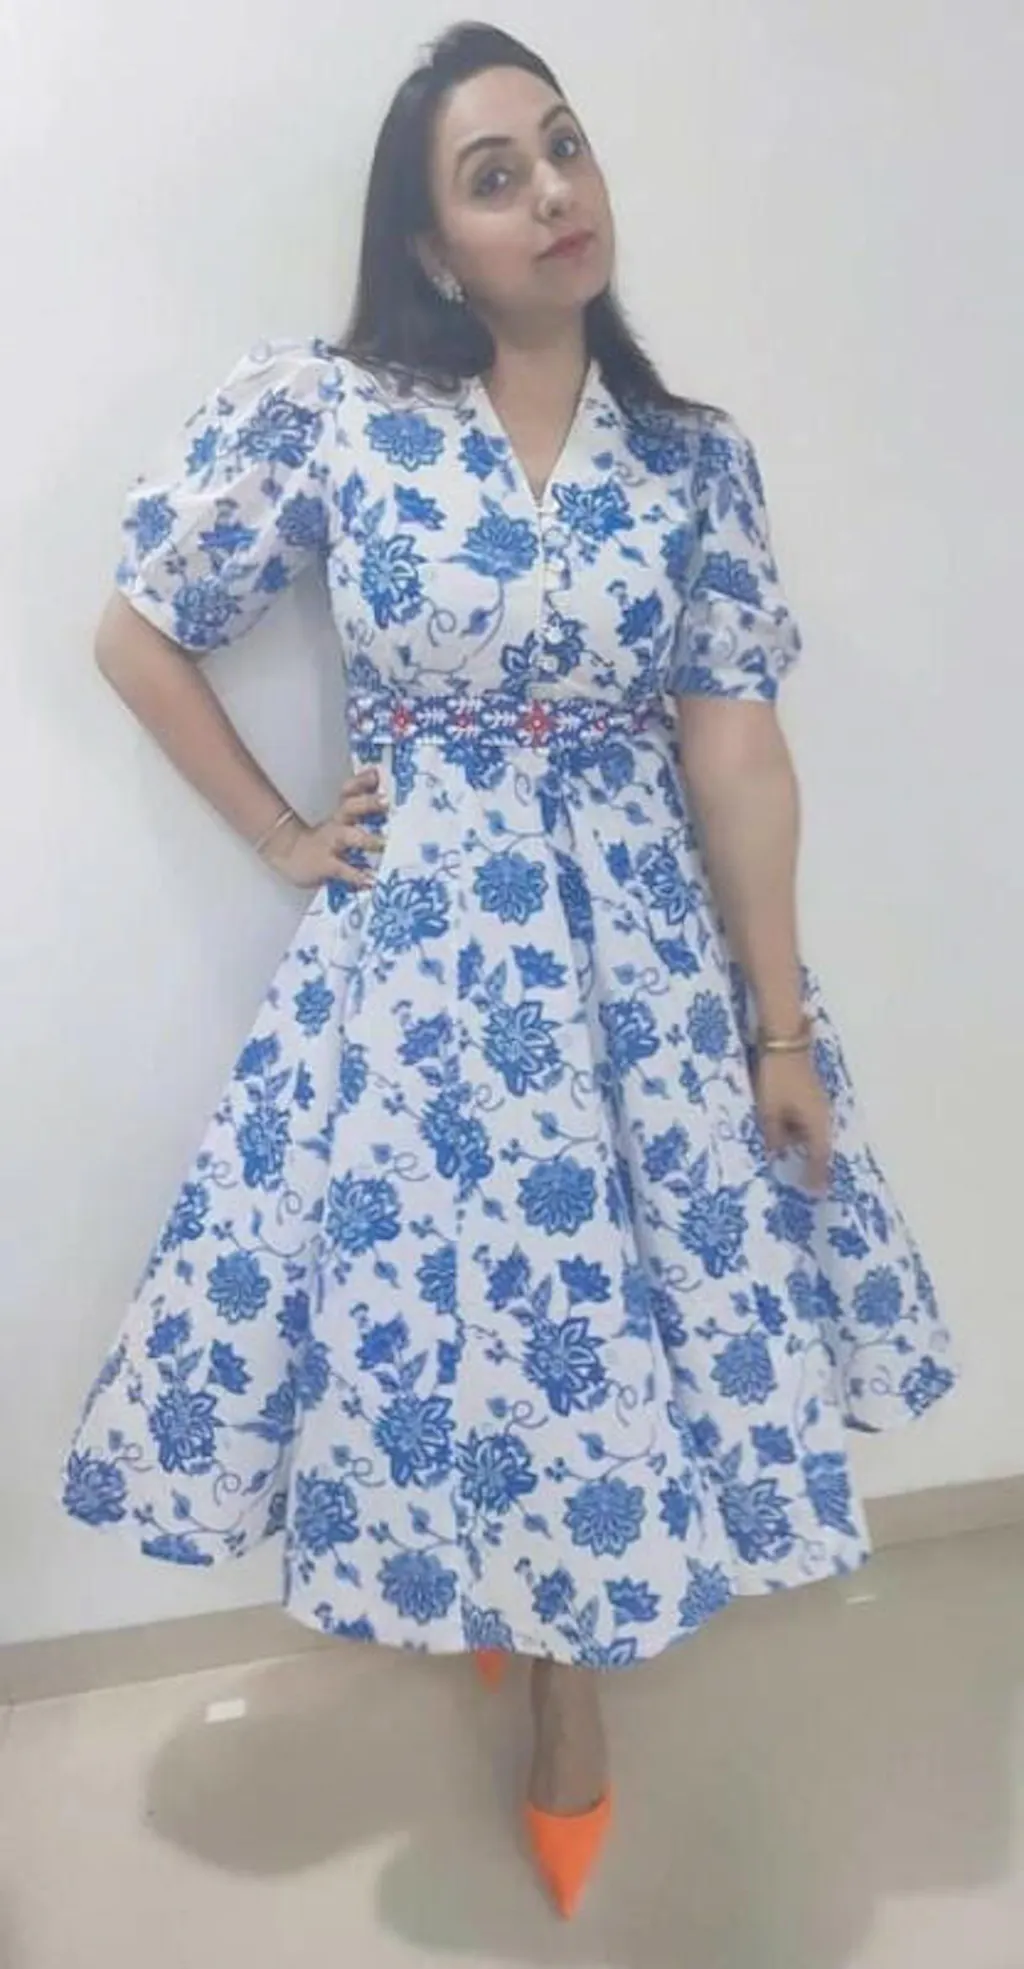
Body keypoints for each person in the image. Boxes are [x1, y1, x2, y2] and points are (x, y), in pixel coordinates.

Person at [64, 20, 955, 1917]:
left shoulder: (692, 459)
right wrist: (284, 833)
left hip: (639, 975)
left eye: (564, 147)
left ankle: (567, 1690)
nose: (554, 192)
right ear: (431, 247)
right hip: (419, 970)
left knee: (599, 1321)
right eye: (496, 176)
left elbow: (738, 752)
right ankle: (512, 1630)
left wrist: (778, 1030)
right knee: (446, 1319)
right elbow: (138, 633)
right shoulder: (327, 411)